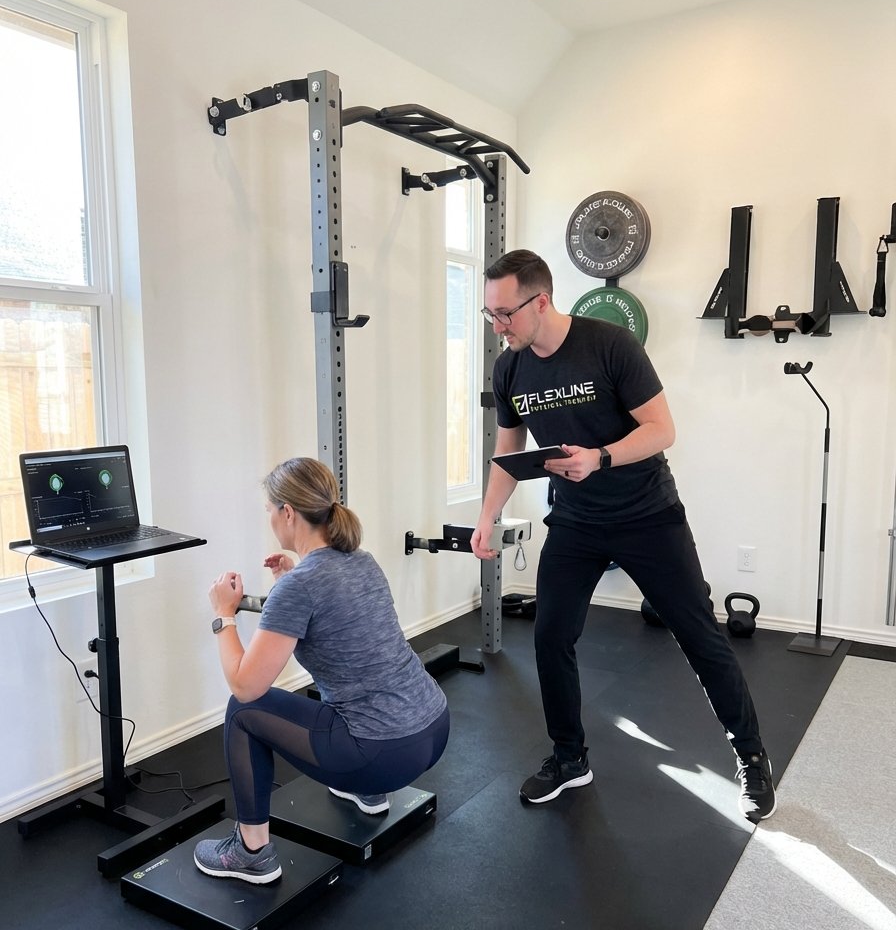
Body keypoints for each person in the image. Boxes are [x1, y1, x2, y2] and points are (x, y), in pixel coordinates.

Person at [470, 249, 775, 823]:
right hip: (576, 522)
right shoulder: (510, 368)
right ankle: (569, 758)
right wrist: (487, 516)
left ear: (541, 301)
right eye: (490, 314)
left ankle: (751, 758)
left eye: (504, 314)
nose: (497, 326)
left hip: (648, 516)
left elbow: (662, 429)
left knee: (699, 637)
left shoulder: (610, 345)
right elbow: (508, 452)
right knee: (550, 637)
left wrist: (601, 457)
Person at [194, 457, 450, 883]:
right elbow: (336, 629)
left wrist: (224, 615)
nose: (269, 519)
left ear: (287, 513)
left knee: (242, 712)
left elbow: (245, 685)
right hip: (433, 728)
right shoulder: (361, 560)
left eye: (270, 510)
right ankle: (368, 793)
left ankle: (251, 851)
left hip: (382, 754)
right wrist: (288, 581)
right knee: (350, 694)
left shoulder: (301, 586)